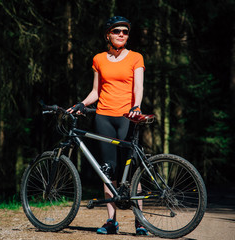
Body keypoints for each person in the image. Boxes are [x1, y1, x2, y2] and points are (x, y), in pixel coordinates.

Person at [68, 16, 148, 235]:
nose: (121, 34)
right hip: (103, 117)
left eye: (125, 31)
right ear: (108, 35)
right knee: (107, 170)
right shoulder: (99, 59)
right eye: (117, 31)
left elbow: (138, 87)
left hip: (127, 117)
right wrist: (81, 104)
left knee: (132, 172)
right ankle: (111, 221)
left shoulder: (136, 58)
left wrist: (137, 106)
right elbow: (96, 91)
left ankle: (140, 222)